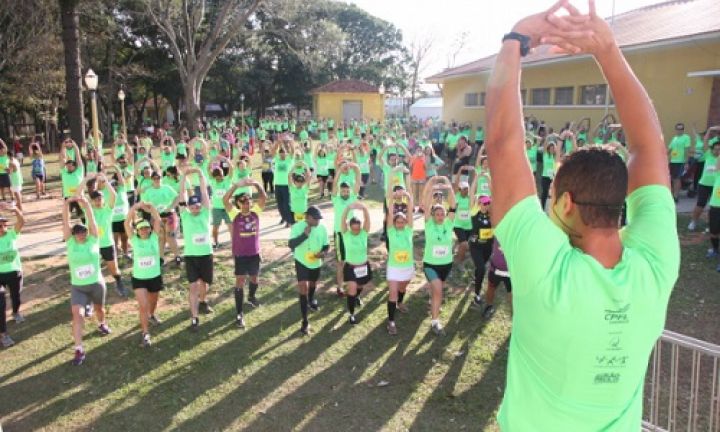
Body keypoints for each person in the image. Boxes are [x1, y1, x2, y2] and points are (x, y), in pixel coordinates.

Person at [484, 2, 680, 429]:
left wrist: (515, 40)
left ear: (566, 202)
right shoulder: (655, 265)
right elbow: (650, 149)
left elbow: (501, 145)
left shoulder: (546, 269)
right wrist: (607, 50)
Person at [62, 197, 112, 365]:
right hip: (78, 288)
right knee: (78, 315)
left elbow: (91, 220)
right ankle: (79, 349)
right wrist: (67, 205)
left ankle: (102, 323)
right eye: (78, 232)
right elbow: (65, 222)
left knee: (100, 309)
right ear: (73, 235)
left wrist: (87, 205)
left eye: (83, 231)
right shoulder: (70, 244)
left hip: (96, 284)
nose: (81, 234)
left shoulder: (93, 240)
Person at [223, 178, 267, 328]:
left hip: (254, 253)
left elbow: (264, 197)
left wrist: (255, 184)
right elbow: (225, 199)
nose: (247, 204)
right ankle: (239, 313)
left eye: (248, 201)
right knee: (240, 281)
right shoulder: (235, 214)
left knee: (254, 278)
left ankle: (252, 296)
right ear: (238, 204)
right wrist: (236, 185)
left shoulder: (255, 213)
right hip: (240, 254)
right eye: (243, 202)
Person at [77, 173, 128, 298]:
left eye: (100, 199)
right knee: (92, 269)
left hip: (107, 244)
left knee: (113, 269)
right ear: (92, 201)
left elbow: (114, 195)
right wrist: (85, 180)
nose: (98, 201)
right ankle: (90, 292)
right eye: (95, 199)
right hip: (92, 244)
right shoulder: (88, 210)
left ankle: (118, 282)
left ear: (103, 199)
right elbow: (78, 195)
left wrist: (105, 181)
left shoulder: (107, 210)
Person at [178, 168, 214, 330]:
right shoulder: (184, 215)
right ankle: (194, 318)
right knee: (193, 286)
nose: (195, 208)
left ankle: (203, 301)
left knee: (204, 283)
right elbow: (181, 195)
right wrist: (184, 176)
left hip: (206, 254)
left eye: (197, 206)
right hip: (191, 256)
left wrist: (200, 175)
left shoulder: (206, 213)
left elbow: (205, 193)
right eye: (192, 206)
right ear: (188, 207)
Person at [124, 202, 163, 347]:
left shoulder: (154, 238)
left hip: (154, 276)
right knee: (143, 305)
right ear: (137, 231)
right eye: (141, 229)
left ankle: (151, 315)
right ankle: (145, 334)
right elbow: (126, 223)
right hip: (139, 278)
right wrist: (134, 208)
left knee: (153, 302)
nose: (144, 230)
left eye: (146, 228)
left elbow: (158, 220)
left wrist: (151, 208)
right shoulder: (134, 240)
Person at [421, 179, 456, 335]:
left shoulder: (449, 224)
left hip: (446, 264)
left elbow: (453, 205)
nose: (441, 215)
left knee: (437, 290)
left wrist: (449, 186)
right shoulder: (429, 224)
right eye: (437, 213)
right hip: (431, 264)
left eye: (443, 213)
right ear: (433, 215)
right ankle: (435, 322)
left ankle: (433, 301)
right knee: (439, 290)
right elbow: (426, 204)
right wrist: (431, 185)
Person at [288, 206, 328, 336]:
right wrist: (304, 235)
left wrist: (323, 253)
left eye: (319, 219)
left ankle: (310, 300)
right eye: (315, 219)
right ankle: (305, 322)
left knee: (312, 284)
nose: (318, 221)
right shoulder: (297, 227)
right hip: (301, 261)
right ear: (307, 217)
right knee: (303, 288)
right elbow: (291, 245)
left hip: (315, 262)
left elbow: (326, 246)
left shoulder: (322, 228)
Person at [385, 188, 414, 335]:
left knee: (403, 288)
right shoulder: (391, 231)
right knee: (393, 294)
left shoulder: (409, 230)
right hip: (394, 268)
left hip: (407, 267)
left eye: (403, 221)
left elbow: (410, 211)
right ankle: (391, 321)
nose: (401, 224)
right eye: (398, 222)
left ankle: (400, 303)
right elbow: (390, 213)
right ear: (394, 223)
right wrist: (392, 198)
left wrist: (408, 197)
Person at [340, 202, 371, 325]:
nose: (356, 231)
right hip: (351, 267)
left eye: (358, 228)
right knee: (352, 289)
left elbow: (367, 219)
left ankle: (357, 296)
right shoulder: (346, 235)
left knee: (360, 286)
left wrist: (364, 208)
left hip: (363, 266)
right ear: (350, 227)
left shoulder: (364, 233)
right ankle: (351, 314)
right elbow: (342, 220)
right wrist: (348, 208)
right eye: (353, 229)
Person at [0, 203, 24, 348]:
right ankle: (3, 335)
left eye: (3, 224)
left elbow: (21, 222)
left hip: (14, 273)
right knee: (0, 304)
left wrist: (15, 209)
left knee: (16, 297)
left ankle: (15, 313)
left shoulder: (12, 234)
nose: (2, 227)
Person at [331, 178, 360, 298]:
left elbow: (357, 181)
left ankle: (352, 286)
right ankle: (340, 287)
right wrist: (339, 170)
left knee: (353, 261)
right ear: (340, 191)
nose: (345, 193)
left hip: (351, 234)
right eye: (343, 191)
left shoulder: (352, 199)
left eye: (347, 191)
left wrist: (355, 167)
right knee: (341, 263)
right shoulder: (336, 199)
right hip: (339, 234)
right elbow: (334, 184)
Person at [688, 126, 720, 231]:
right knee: (700, 204)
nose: (717, 151)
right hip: (704, 184)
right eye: (715, 149)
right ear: (712, 149)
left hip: (716, 186)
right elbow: (705, 143)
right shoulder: (708, 155)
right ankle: (693, 221)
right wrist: (710, 130)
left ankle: (711, 225)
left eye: (719, 150)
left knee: (715, 207)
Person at [468, 194, 493, 308]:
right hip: (476, 247)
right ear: (479, 204)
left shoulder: (491, 215)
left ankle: (476, 279)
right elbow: (472, 195)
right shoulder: (474, 213)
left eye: (488, 203)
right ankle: (477, 295)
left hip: (487, 247)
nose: (487, 205)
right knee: (482, 269)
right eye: (485, 203)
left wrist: (488, 179)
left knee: (480, 268)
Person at [481, 239, 511, 319]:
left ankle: (515, 317)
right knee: (491, 287)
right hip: (495, 269)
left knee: (512, 294)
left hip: (511, 272)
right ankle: (489, 306)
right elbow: (482, 236)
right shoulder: (496, 231)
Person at [668, 122, 691, 202]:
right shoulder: (674, 138)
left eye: (681, 129)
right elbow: (670, 149)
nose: (679, 130)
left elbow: (687, 150)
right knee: (673, 178)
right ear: (676, 129)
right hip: (673, 161)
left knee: (677, 179)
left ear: (683, 130)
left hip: (680, 162)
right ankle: (673, 194)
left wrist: (686, 162)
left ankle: (676, 196)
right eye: (678, 129)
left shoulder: (686, 137)